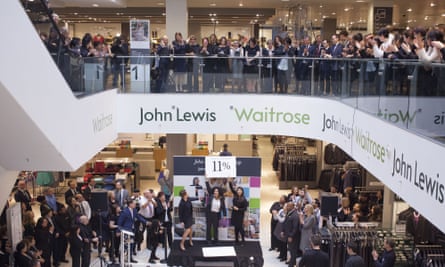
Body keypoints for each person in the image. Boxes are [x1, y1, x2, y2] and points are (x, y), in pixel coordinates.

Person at [117, 199, 149, 263]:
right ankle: (121, 258)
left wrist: (146, 222)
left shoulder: (134, 210)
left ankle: (130, 257)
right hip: (126, 231)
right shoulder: (124, 211)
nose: (135, 204)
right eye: (134, 203)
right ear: (130, 204)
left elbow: (139, 217)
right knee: (125, 245)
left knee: (131, 244)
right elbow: (120, 222)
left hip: (132, 230)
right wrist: (118, 231)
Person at [281, 202, 300, 267]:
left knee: (293, 251)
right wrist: (283, 231)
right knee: (290, 249)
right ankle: (292, 262)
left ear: (293, 207)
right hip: (288, 235)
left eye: (289, 206)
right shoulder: (289, 213)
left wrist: (291, 236)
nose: (287, 207)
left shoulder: (295, 215)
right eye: (287, 206)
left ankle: (291, 264)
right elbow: (285, 222)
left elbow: (295, 227)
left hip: (293, 237)